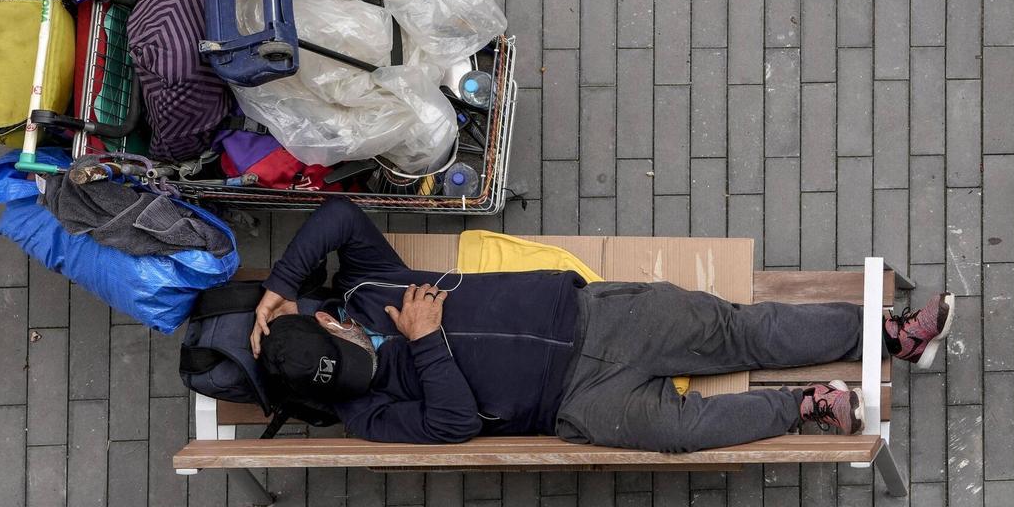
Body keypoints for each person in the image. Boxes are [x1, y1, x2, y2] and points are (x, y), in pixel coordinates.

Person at [251, 199, 953, 452]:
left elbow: (337, 216)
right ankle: (804, 407)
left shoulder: (366, 284)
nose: (364, 365)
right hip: (576, 402)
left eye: (351, 349)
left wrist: (279, 285)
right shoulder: (363, 412)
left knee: (741, 332)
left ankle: (886, 336)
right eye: (351, 376)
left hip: (599, 316)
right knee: (680, 432)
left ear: (328, 319)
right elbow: (453, 426)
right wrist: (427, 343)